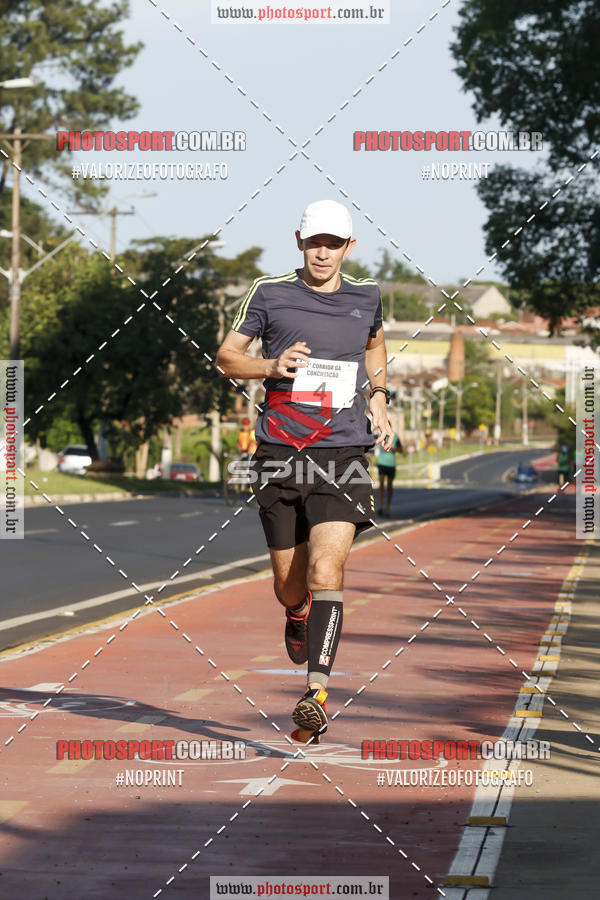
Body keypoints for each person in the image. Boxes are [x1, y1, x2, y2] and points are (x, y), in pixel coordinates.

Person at [216, 199, 394, 740]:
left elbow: (376, 343)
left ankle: (316, 692)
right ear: (299, 240)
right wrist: (269, 365)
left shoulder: (367, 296)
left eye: (333, 243)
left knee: (327, 572)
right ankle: (296, 615)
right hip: (279, 454)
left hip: (344, 455)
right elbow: (226, 357)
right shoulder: (269, 294)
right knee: (291, 586)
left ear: (349, 248)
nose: (323, 252)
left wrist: (380, 397)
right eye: (314, 241)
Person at [375, 433, 402, 516]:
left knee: (389, 487)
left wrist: (392, 448)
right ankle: (380, 506)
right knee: (381, 485)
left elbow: (400, 450)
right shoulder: (379, 435)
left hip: (391, 464)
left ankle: (387, 507)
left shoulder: (395, 437)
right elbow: (371, 438)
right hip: (381, 463)